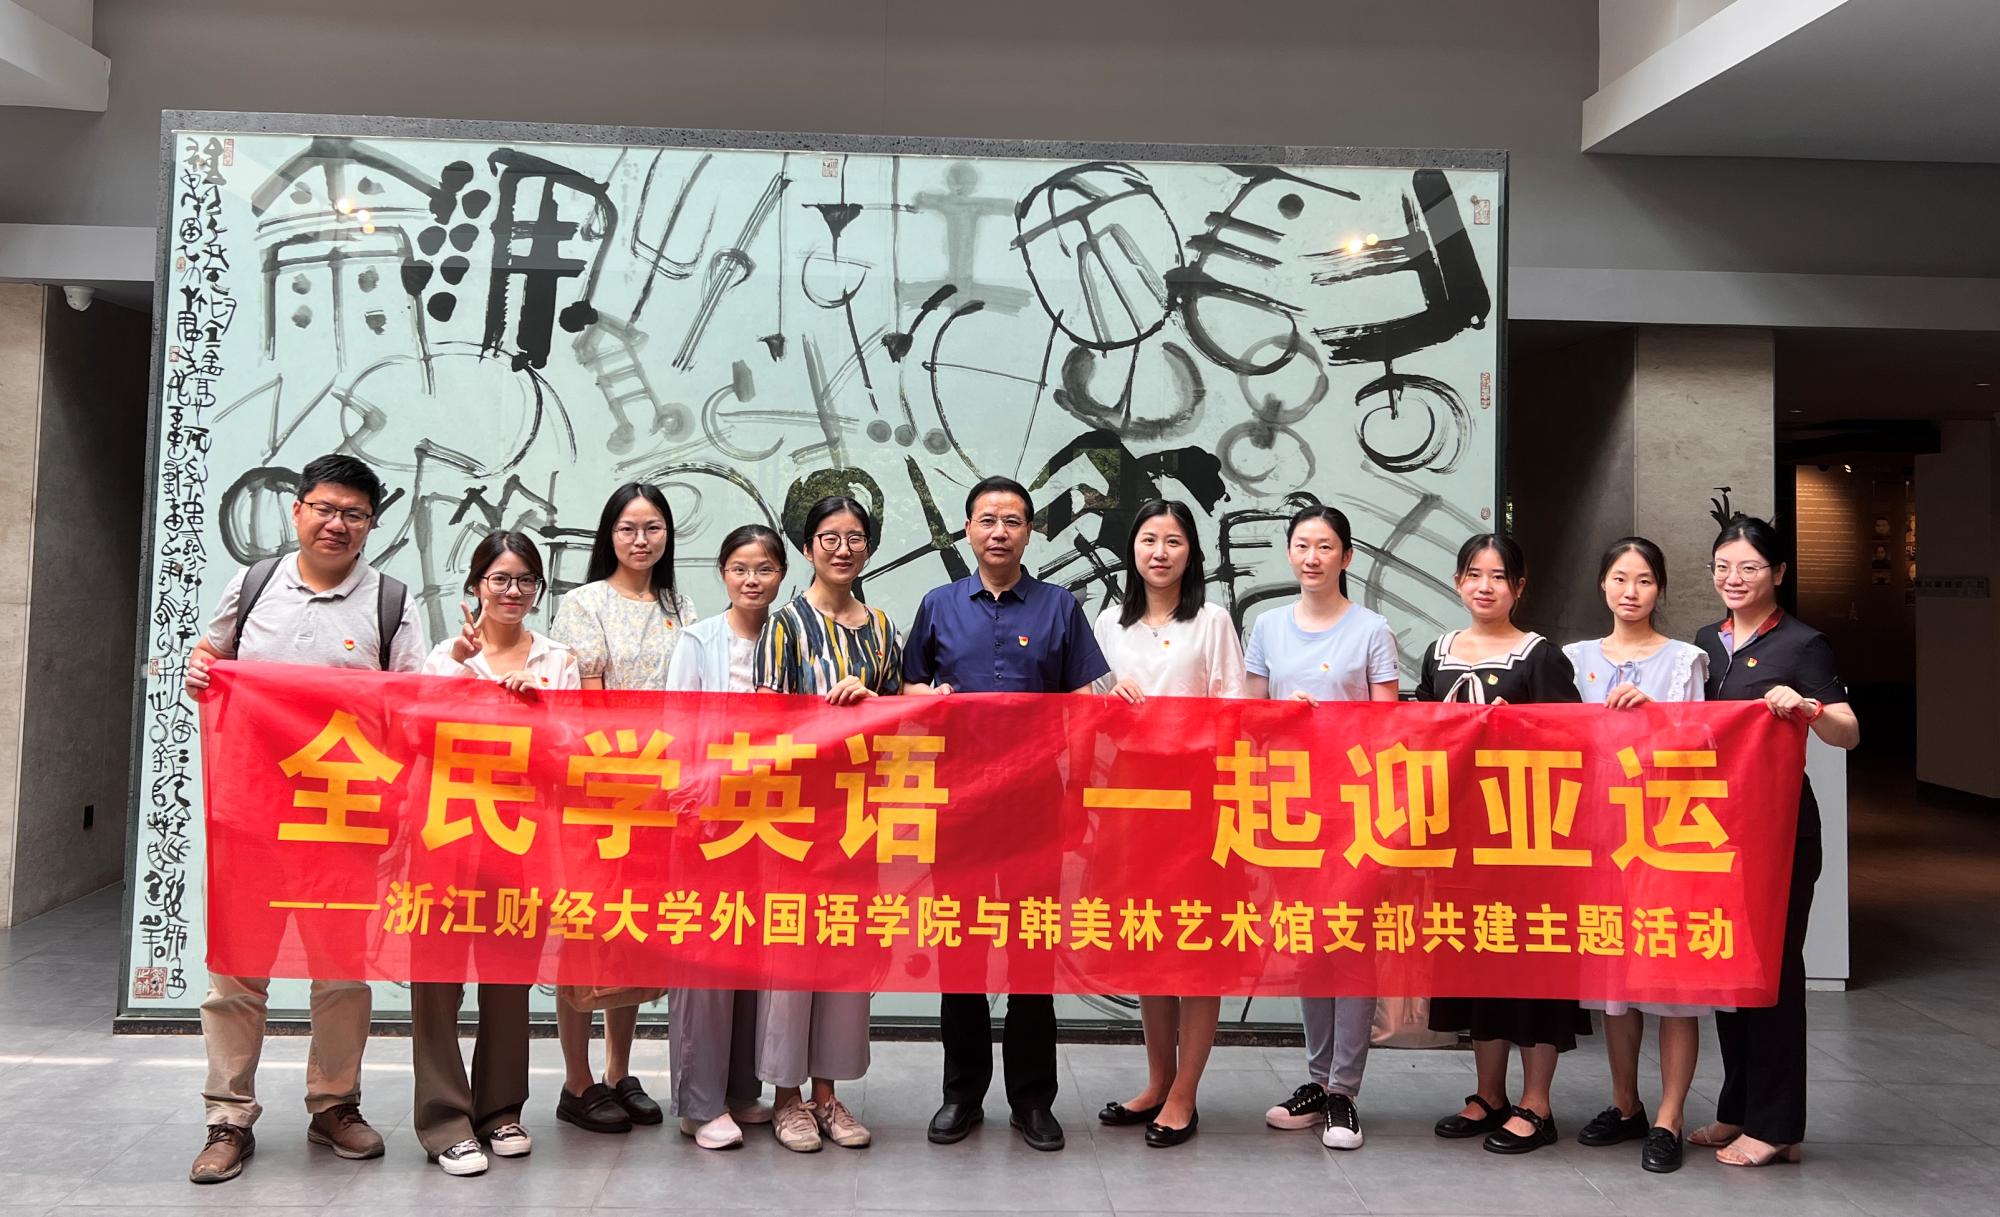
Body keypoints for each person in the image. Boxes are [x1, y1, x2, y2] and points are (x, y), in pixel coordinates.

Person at [182, 453, 426, 1184]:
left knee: (342, 973)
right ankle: (228, 1116)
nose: (337, 523)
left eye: (354, 513)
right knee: (236, 973)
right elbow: (211, 654)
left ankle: (335, 1106)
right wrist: (200, 666)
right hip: (250, 817)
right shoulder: (254, 583)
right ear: (298, 510)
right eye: (325, 508)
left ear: (371, 524)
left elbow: (414, 706)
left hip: (343, 824)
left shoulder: (391, 601)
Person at [903, 475, 1111, 1153]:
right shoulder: (937, 606)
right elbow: (908, 686)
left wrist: (1079, 796)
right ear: (968, 529)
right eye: (987, 519)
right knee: (960, 954)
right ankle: (961, 1095)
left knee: (1031, 957)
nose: (999, 531)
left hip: (1034, 808)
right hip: (957, 808)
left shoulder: (1059, 607)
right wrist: (926, 696)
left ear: (1029, 532)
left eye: (1012, 520)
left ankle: (1032, 1099)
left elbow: (1084, 706)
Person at [1688, 516, 1858, 1168]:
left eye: (1749, 567)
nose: (1733, 578)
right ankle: (1737, 1107)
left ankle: (1777, 1124)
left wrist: (1809, 709)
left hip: (1783, 830)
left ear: (1779, 573)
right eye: (1722, 567)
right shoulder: (1707, 641)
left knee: (1775, 972)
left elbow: (1847, 730)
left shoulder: (1804, 644)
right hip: (1716, 831)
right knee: (1728, 967)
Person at [412, 531, 577, 1176]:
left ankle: (500, 1110)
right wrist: (459, 666)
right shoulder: (444, 655)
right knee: (436, 981)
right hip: (447, 833)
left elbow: (573, 753)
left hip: (520, 836)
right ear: (476, 585)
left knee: (509, 977)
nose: (513, 591)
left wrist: (539, 709)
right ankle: (444, 1121)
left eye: (525, 580)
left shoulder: (557, 659)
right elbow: (418, 736)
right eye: (500, 579)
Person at [1423, 533, 1590, 1156]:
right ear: (1457, 582)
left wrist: (1514, 730)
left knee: (1533, 970)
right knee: (1476, 963)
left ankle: (1536, 1104)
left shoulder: (1541, 655)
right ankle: (1488, 1093)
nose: (1484, 586)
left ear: (1519, 588)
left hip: (1527, 842)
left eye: (1498, 576)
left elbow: (1573, 742)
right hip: (1460, 840)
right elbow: (1419, 734)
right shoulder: (1438, 652)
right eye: (1473, 574)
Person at [1091, 499, 1247, 1149]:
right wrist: (1110, 704)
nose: (1160, 552)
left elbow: (1234, 710)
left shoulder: (1212, 621)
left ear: (1192, 553)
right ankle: (1157, 1081)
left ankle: (1185, 1092)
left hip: (1197, 797)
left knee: (1196, 947)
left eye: (1174, 540)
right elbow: (1089, 713)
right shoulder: (1108, 623)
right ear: (1132, 550)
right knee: (1149, 940)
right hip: (1131, 799)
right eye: (1149, 539)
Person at [753, 496, 906, 1152]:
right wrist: (827, 712)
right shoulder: (784, 625)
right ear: (808, 547)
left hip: (859, 815)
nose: (843, 549)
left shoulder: (883, 627)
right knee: (792, 956)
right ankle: (785, 1099)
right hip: (794, 818)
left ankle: (827, 1093)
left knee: (845, 952)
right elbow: (763, 726)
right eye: (829, 537)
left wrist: (875, 706)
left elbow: (900, 720)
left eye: (855, 537)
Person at [1246, 505, 1399, 1152]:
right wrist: (1281, 715)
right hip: (1291, 809)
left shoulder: (1372, 629)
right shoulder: (1267, 627)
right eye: (1303, 545)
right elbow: (1248, 718)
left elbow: (1389, 726)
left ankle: (1345, 1091)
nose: (1313, 557)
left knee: (1352, 945)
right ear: (1289, 553)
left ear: (1346, 556)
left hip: (1353, 809)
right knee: (1309, 942)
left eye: (1326, 546)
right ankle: (1316, 1079)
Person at [547, 482, 699, 1133]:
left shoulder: (679, 604)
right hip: (600, 795)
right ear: (609, 534)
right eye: (628, 528)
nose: (641, 539)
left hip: (662, 798)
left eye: (653, 527)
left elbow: (691, 697)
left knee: (634, 930)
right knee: (586, 929)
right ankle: (576, 1080)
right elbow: (588, 702)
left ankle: (618, 1071)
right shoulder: (584, 603)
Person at [1562, 536, 1711, 1175]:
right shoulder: (1572, 659)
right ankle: (1625, 1103)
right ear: (1602, 584)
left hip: (1666, 837)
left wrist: (1654, 715)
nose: (1631, 591)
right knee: (1614, 981)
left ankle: (1669, 1118)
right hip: (1597, 837)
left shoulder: (1685, 661)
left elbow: (1704, 745)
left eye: (1644, 580)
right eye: (1620, 578)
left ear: (1660, 589)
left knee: (1673, 981)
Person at [662, 524, 786, 1150]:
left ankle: (739, 1090)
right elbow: (676, 730)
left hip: (773, 819)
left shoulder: (791, 637)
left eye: (764, 569)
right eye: (740, 568)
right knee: (704, 956)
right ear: (722, 574)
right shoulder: (698, 639)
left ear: (782, 575)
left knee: (751, 952)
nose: (752, 580)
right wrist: (694, 807)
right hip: (708, 820)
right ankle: (698, 1102)